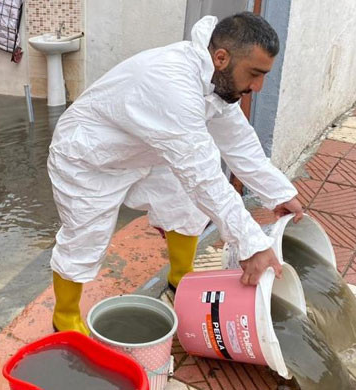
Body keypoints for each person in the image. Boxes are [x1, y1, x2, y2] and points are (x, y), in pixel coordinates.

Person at [47, 12, 304, 335]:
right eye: (254, 74)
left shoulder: (216, 81)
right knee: (85, 237)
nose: (258, 87)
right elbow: (204, 176)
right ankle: (66, 319)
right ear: (222, 57)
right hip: (89, 156)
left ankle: (180, 277)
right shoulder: (173, 85)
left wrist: (281, 193)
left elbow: (240, 144)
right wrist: (250, 244)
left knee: (184, 201)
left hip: (145, 149)